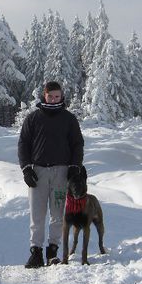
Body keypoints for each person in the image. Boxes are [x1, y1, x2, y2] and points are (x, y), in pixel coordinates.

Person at [17, 81, 84, 268]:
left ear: (62, 97)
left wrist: (74, 167)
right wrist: (26, 168)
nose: (53, 100)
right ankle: (36, 253)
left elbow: (77, 144)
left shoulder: (69, 119)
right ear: (43, 96)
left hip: (61, 173)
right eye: (50, 96)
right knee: (37, 215)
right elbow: (23, 144)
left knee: (57, 213)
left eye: (57, 96)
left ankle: (53, 252)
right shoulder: (33, 118)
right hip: (37, 172)